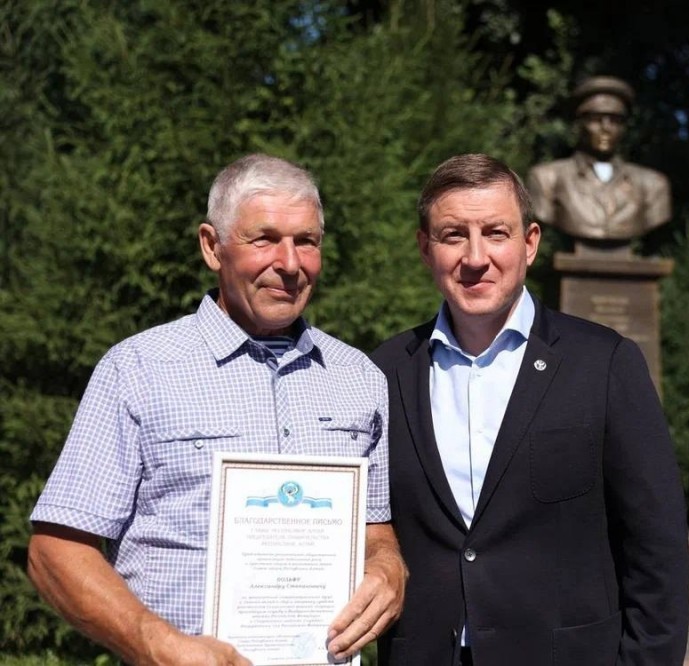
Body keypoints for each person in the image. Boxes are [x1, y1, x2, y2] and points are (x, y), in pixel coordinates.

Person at [27, 153, 406, 665]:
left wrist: (387, 566)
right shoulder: (138, 369)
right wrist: (159, 646)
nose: (289, 263)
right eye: (264, 239)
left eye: (306, 241)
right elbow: (54, 551)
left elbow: (374, 529)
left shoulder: (358, 377)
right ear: (212, 246)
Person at [371, 153, 689, 666]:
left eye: (496, 233)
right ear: (425, 248)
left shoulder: (604, 363)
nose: (475, 257)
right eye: (454, 236)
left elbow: (658, 547)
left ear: (530, 242)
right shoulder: (384, 372)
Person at [526, 75, 671, 246]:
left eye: (615, 121)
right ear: (579, 124)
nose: (606, 128)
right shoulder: (547, 178)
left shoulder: (653, 185)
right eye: (596, 119)